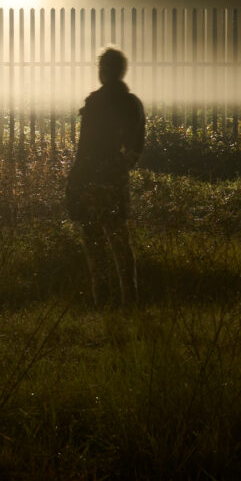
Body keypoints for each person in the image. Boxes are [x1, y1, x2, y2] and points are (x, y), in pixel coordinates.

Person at [67, 47, 145, 305]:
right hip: (114, 176)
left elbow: (85, 146)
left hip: (89, 175)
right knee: (119, 239)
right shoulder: (132, 104)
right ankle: (130, 298)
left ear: (104, 71)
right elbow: (136, 147)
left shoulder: (95, 103)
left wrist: (76, 180)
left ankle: (102, 298)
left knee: (94, 240)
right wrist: (121, 167)